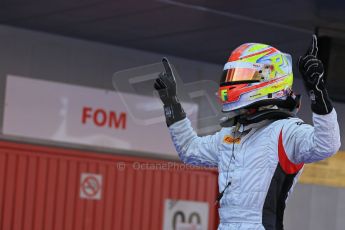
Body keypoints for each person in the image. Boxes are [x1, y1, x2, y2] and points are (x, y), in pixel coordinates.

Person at [154, 35, 341, 230]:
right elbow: (189, 150)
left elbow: (327, 145)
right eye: (232, 75)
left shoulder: (286, 131)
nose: (232, 82)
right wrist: (171, 103)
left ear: (269, 78)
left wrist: (317, 91)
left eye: (241, 74)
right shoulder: (231, 135)